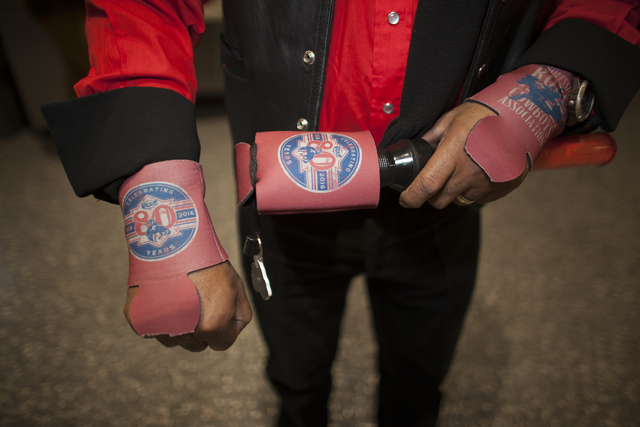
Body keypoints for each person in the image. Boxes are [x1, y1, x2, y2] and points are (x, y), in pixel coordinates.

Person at [42, 0, 640, 425]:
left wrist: (547, 86)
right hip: (282, 209)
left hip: (441, 194)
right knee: (297, 378)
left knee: (418, 378)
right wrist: (158, 189)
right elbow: (142, 6)